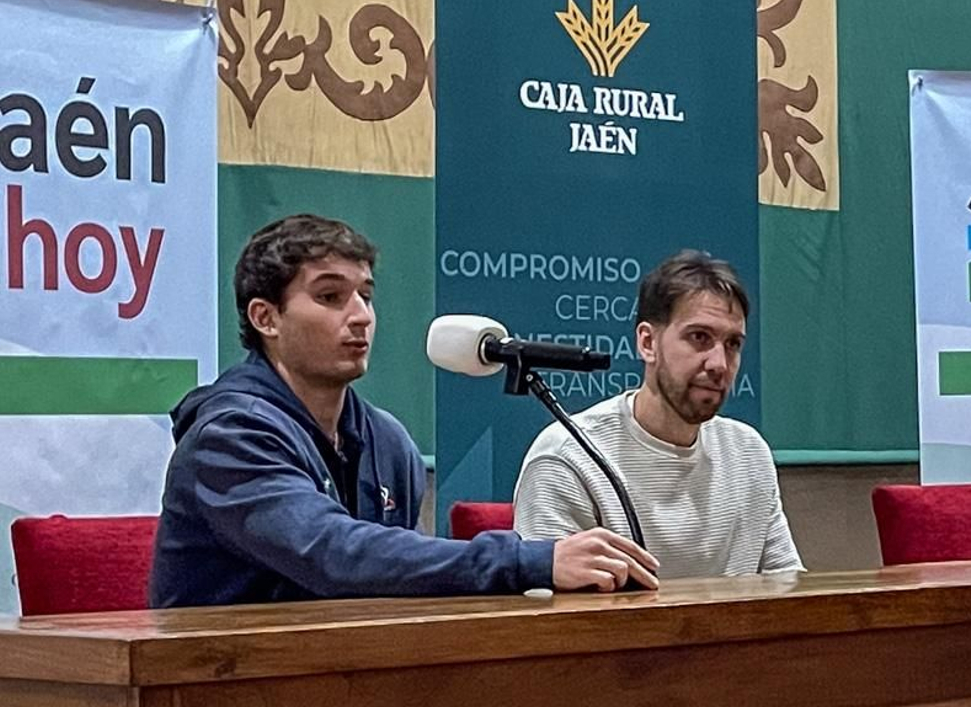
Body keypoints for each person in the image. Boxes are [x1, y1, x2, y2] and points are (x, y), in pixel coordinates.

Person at [149, 214, 658, 608]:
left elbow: (398, 579)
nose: (360, 316)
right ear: (266, 318)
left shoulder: (388, 441)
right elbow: (333, 555)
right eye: (330, 296)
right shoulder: (229, 436)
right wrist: (531, 560)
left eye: (365, 296)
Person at [513, 250, 802, 579]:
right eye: (699, 338)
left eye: (733, 344)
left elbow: (786, 586)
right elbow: (551, 616)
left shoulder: (748, 452)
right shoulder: (568, 457)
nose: (719, 364)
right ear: (647, 342)